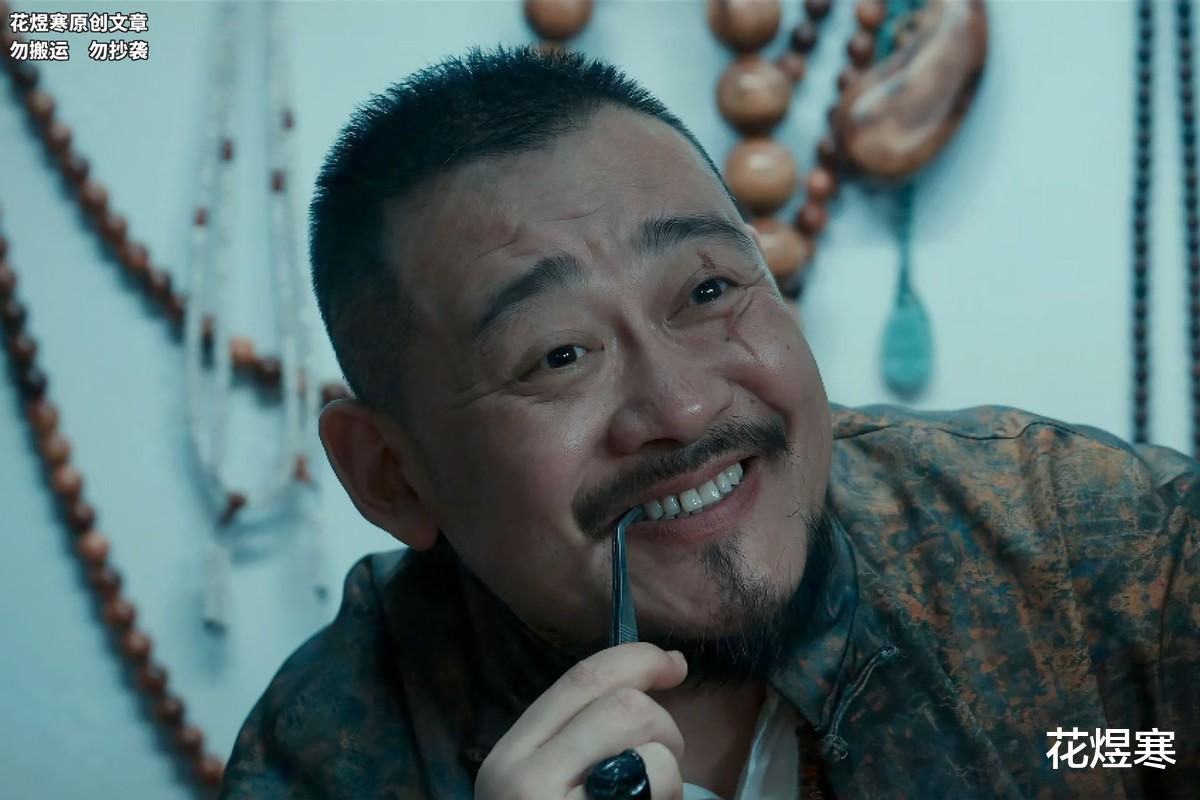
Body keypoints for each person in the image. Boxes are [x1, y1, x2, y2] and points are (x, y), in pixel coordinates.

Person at [218, 45, 1199, 799]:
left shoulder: (1087, 555)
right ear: (390, 473)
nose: (684, 409)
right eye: (558, 354)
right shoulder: (333, 752)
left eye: (707, 290)